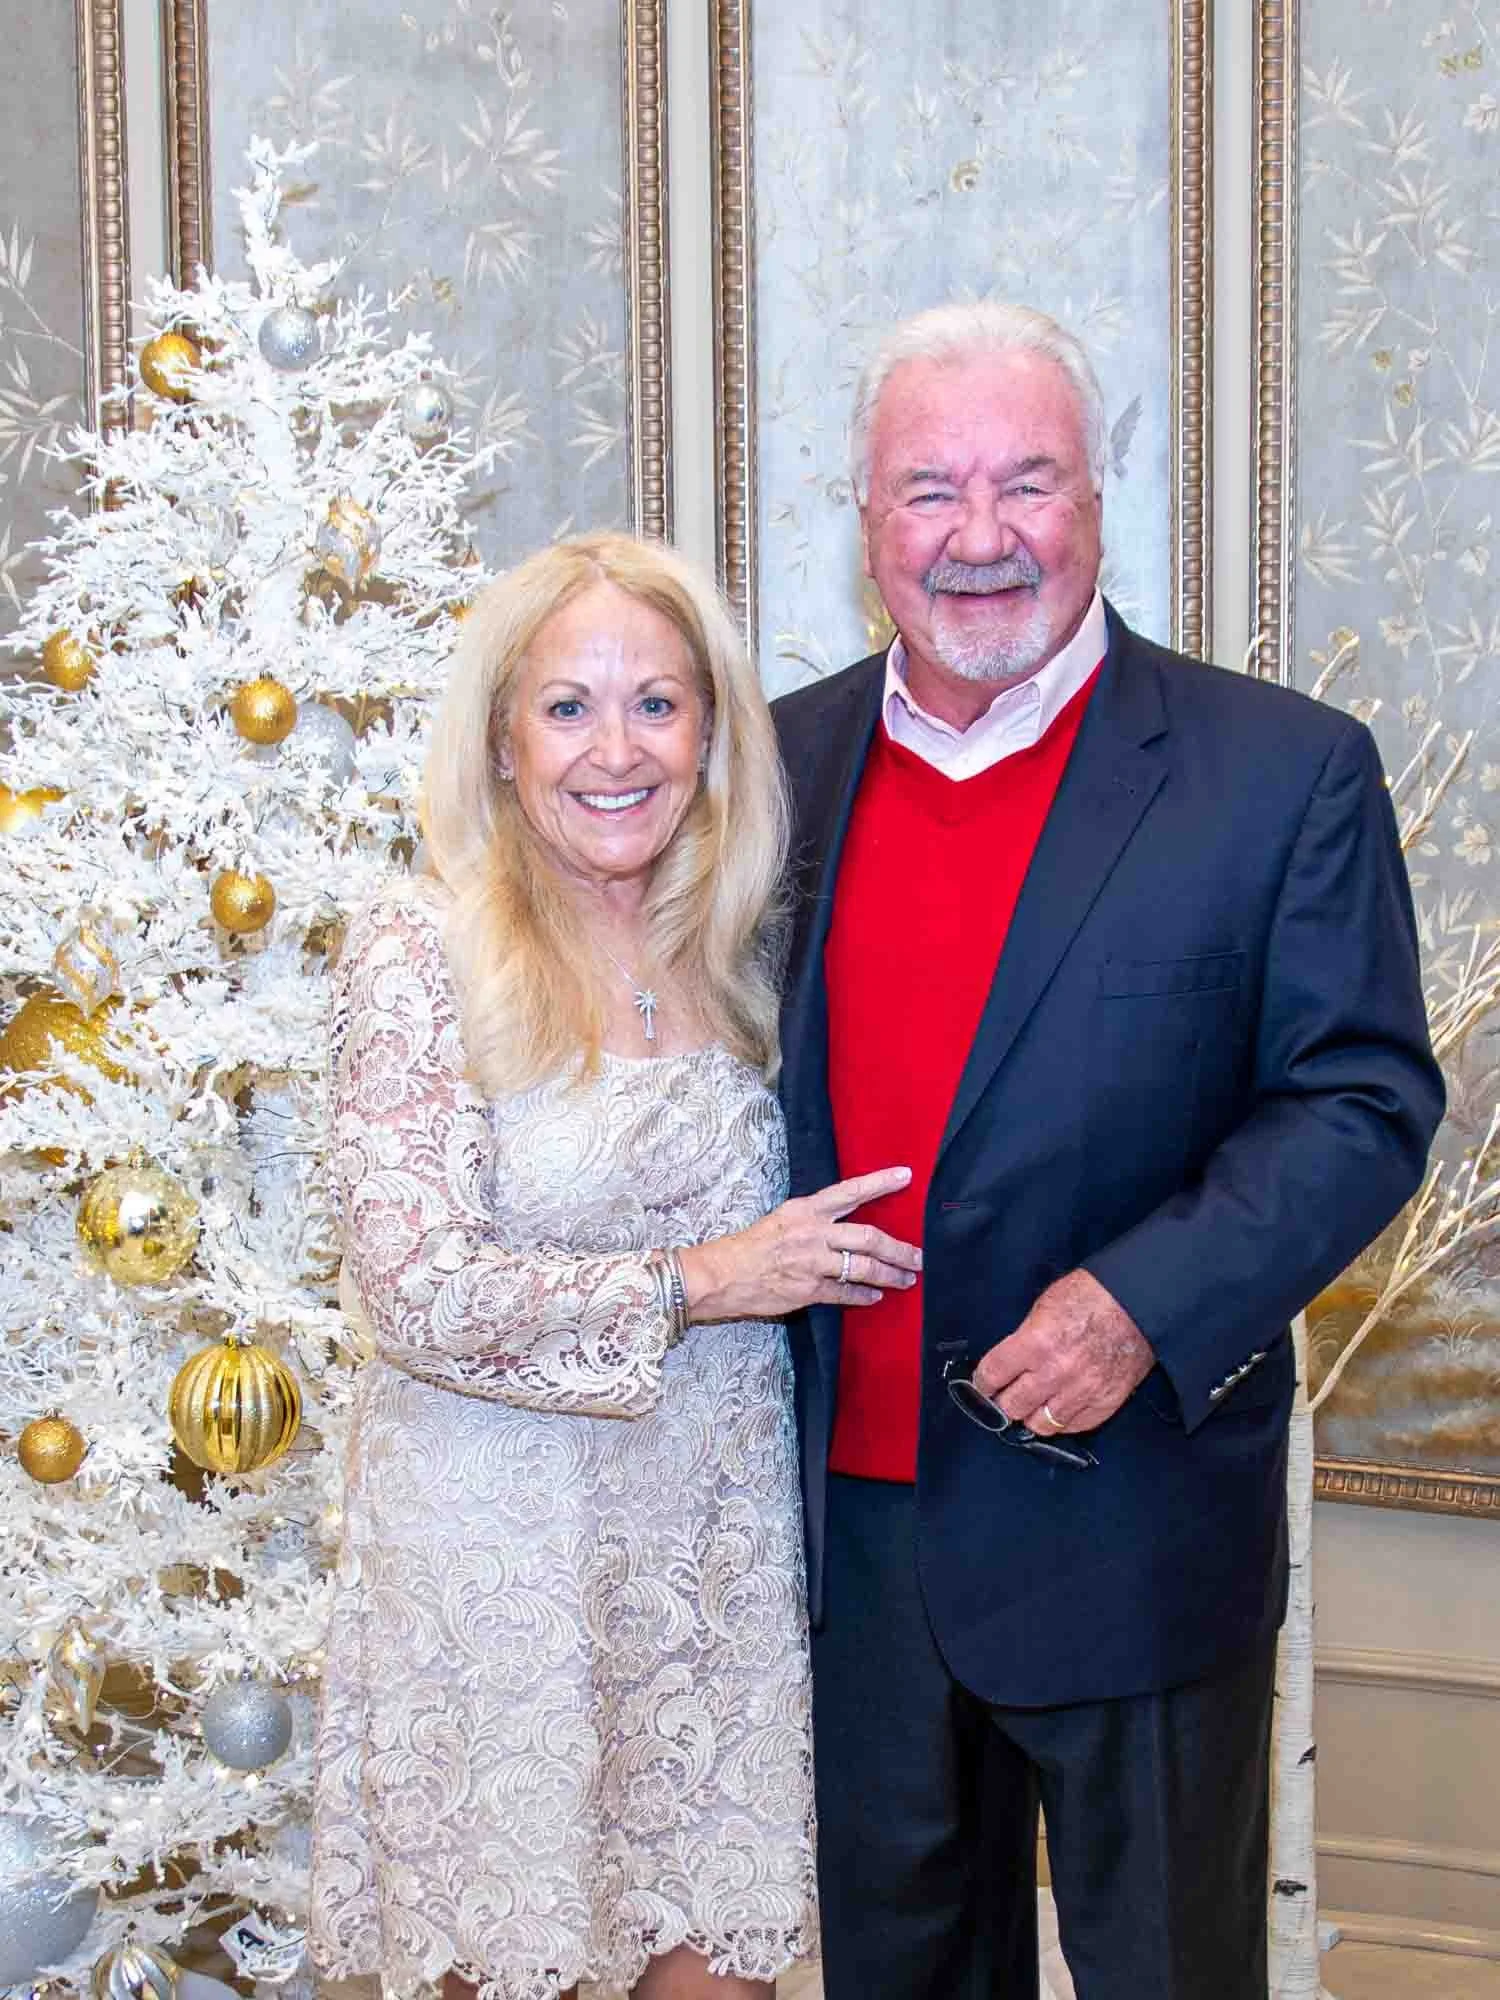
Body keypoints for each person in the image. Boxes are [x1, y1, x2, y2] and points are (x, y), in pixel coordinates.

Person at [771, 302, 1445, 2000]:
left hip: (1133, 1511)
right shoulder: (774, 771)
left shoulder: (1281, 773)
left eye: (1028, 483)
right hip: (844, 1545)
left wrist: (1143, 1303)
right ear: (863, 520)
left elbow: (1363, 1099)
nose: (980, 536)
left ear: (1097, 499)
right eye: (929, 489)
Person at [308, 531, 920, 2000]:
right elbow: (418, 1289)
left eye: (657, 703)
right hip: (492, 1573)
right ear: (505, 740)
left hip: (712, 1573)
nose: (615, 749)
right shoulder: (421, 948)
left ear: (710, 731)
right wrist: (700, 1281)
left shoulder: (752, 949)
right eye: (568, 706)